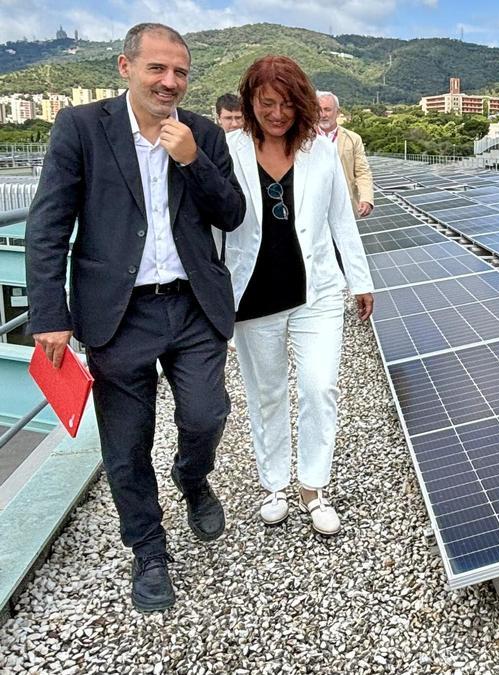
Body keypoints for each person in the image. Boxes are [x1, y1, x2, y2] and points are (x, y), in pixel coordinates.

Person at [25, 23, 245, 612]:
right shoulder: (81, 128)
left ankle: (192, 477)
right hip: (117, 312)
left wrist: (194, 161)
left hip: (193, 303)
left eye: (180, 72)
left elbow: (231, 213)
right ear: (126, 68)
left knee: (206, 414)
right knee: (126, 446)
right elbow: (48, 225)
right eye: (157, 69)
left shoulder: (199, 133)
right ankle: (149, 551)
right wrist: (50, 312)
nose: (169, 82)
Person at [223, 56, 373, 536]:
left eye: (288, 104)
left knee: (318, 386)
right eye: (268, 103)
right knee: (266, 393)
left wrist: (360, 278)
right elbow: (211, 226)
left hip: (317, 292)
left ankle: (313, 486)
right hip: (253, 295)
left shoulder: (319, 150)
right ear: (251, 101)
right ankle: (274, 484)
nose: (278, 113)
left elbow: (340, 219)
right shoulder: (229, 149)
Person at [316, 91, 373, 218]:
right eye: (318, 110)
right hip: (315, 206)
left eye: (327, 110)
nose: (323, 115)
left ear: (337, 112)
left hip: (345, 203)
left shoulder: (353, 139)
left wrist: (366, 199)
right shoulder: (305, 138)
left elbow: (362, 172)